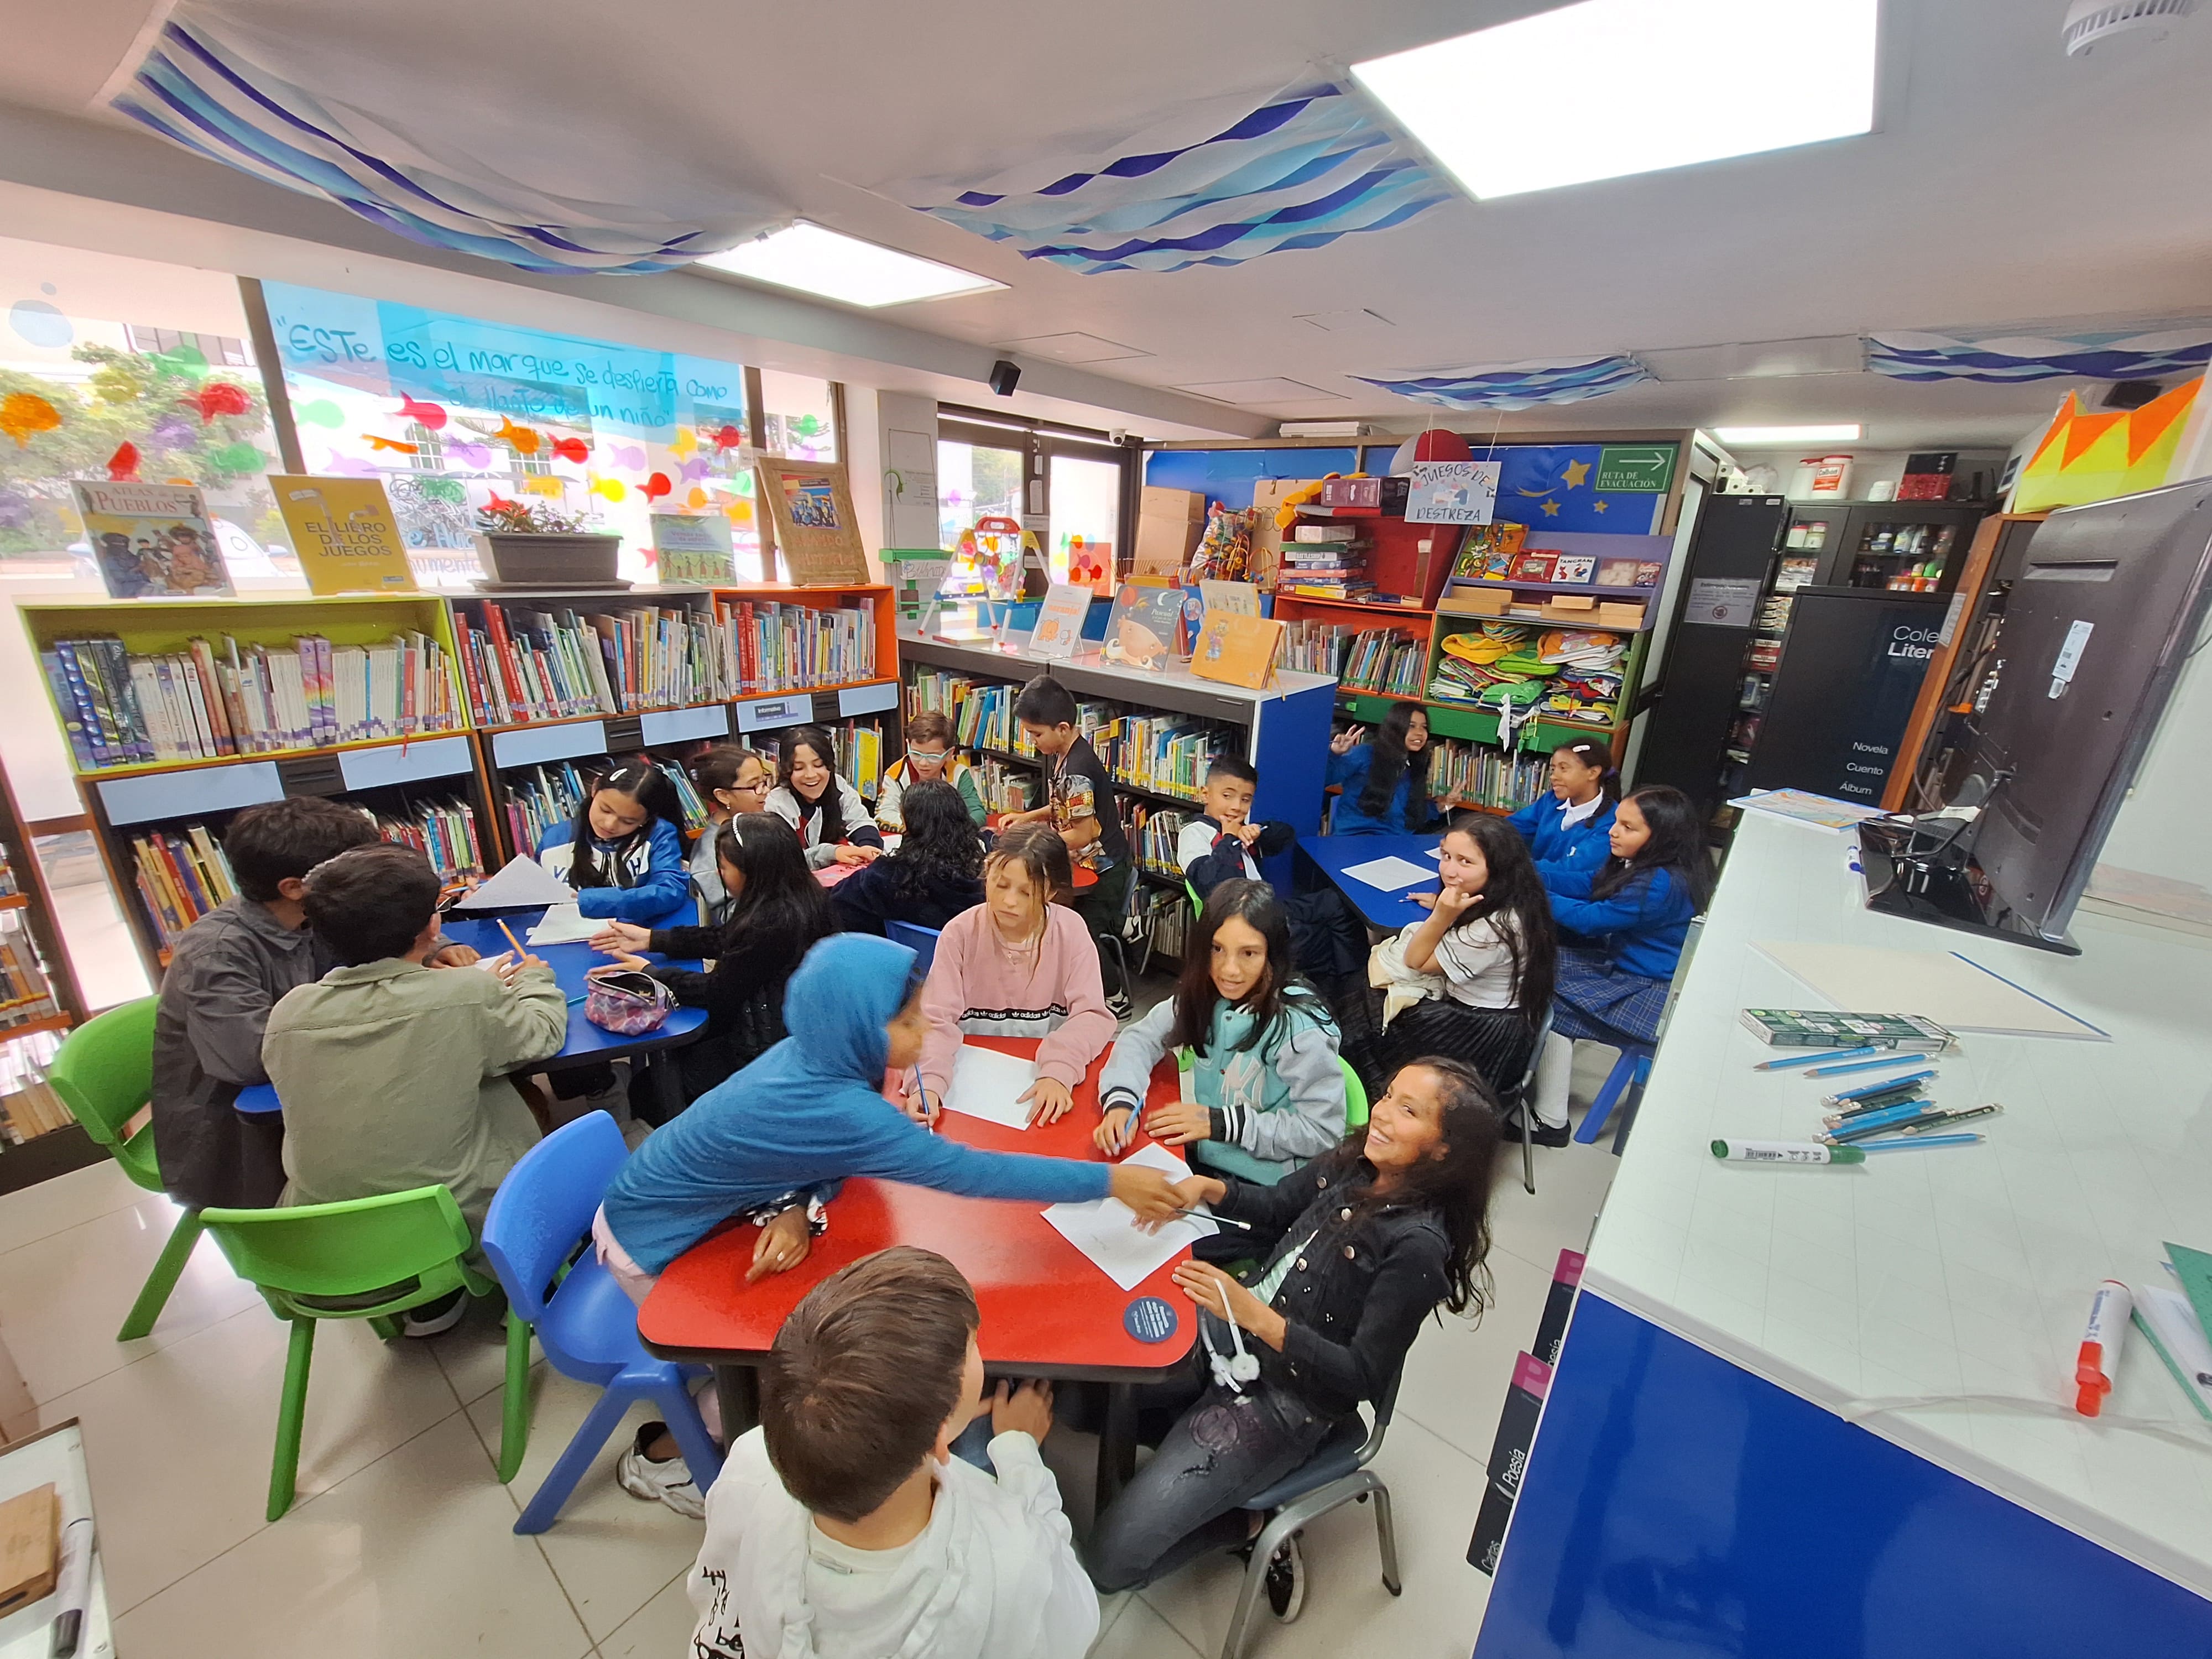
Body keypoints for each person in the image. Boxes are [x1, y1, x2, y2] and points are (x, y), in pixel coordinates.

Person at [594, 930, 1185, 1514]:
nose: (924, 1031)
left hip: (692, 1212)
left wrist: (796, 1205)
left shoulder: (815, 1054)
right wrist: (1110, 1182)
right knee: (789, 1375)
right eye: (906, 1024)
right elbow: (967, 1173)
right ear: (856, 1027)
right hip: (652, 1244)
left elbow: (801, 1150)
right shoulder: (842, 1108)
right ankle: (671, 1455)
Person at [1084, 1058, 1503, 1608]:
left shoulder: (1417, 1246)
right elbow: (1277, 1206)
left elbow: (1360, 1376)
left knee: (1109, 1564)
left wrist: (1255, 1316)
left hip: (1281, 1402)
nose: (1380, 1114)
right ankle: (1183, 1444)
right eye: (1388, 1096)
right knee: (1081, 1402)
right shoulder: (1356, 1161)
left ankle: (1252, 1524)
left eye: (1408, 1110)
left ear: (1444, 1148)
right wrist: (1208, 1188)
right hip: (1229, 1334)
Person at [687, 1248, 1096, 1659]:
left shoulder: (751, 1460)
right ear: (941, 1436)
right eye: (973, 1346)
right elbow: (1075, 1623)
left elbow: (716, 1585)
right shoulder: (1008, 1560)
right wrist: (1019, 1450)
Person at [262, 844, 566, 1333]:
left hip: (323, 1240)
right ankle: (530, 1277)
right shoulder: (465, 994)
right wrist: (536, 981)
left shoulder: (288, 1014)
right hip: (452, 1223)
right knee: (520, 1101)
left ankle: (429, 1303)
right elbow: (540, 1036)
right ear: (431, 927)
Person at [152, 797, 395, 1211]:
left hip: (312, 1096)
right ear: (295, 887)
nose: (371, 884)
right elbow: (250, 1059)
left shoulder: (319, 910)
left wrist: (436, 946)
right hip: (238, 1139)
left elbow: (384, 925)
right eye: (357, 873)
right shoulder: (216, 951)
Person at [1095, 879, 1345, 1186]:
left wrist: (1221, 1123)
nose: (1229, 970)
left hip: (1267, 1187)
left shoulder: (1299, 1027)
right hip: (1203, 1160)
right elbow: (1140, 1038)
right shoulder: (1202, 993)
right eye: (1217, 949)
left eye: (1249, 953)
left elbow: (1322, 1132)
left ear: (1272, 954)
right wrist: (1122, 1099)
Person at [590, 812, 834, 1109]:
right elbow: (729, 937)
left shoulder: (771, 922)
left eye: (723, 867)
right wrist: (654, 939)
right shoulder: (799, 897)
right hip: (796, 1033)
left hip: (766, 1050)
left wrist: (650, 972)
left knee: (649, 1092)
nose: (720, 873)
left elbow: (716, 992)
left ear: (753, 871)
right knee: (671, 1061)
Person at [1527, 785, 1712, 1136]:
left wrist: (1528, 891)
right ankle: (1547, 1108)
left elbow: (1590, 918)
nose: (1613, 831)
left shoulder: (1660, 883)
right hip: (1631, 966)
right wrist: (1531, 872)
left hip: (1649, 990)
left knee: (1541, 991)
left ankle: (1551, 1120)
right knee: (1540, 967)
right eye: (1616, 822)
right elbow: (1591, 884)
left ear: (1661, 837)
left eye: (1629, 827)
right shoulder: (1656, 864)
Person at [1361, 816, 1558, 1138]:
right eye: (1446, 856)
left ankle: (1379, 1117)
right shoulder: (1516, 899)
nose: (1449, 870)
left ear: (1498, 868)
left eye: (1465, 861)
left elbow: (1415, 960)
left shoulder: (1496, 929)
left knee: (1366, 1015)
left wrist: (1442, 914)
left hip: (1481, 1034)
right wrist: (1444, 905)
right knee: (1366, 997)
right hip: (1490, 1014)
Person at [912, 824, 1115, 1129]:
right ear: (988, 870)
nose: (1009, 901)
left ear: (1049, 891)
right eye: (1001, 884)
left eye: (1026, 892)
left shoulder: (1070, 931)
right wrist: (928, 1082)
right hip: (972, 1086)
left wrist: (1059, 1069)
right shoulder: (960, 933)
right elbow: (935, 1020)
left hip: (1043, 1081)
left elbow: (1091, 1016)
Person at [1005, 674, 1133, 1014]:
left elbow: (1084, 832)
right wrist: (1028, 817)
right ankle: (1125, 926)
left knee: (1086, 932)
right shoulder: (1066, 753)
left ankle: (1115, 995)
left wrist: (1037, 841)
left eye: (1036, 734)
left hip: (1103, 868)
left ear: (1062, 728)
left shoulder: (1077, 767)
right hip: (1086, 862)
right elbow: (1066, 806)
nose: (1033, 742)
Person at [1178, 757, 1365, 983]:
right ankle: (1347, 988)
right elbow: (1211, 883)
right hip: (1244, 921)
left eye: (1246, 799)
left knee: (1337, 904)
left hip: (1269, 907)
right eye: (1227, 796)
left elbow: (1285, 836)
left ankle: (1355, 982)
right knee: (1321, 940)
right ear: (1205, 794)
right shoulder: (1195, 834)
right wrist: (1229, 838)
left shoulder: (1241, 829)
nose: (1237, 806)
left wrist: (1259, 832)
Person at [536, 760, 693, 930]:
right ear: (595, 789)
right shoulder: (554, 838)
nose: (610, 825)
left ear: (647, 819)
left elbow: (670, 891)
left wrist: (595, 900)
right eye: (605, 810)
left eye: (628, 821)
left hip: (635, 935)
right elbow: (532, 898)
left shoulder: (659, 835)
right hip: (564, 937)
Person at [832, 780, 987, 936]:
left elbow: (838, 903)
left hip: (903, 956)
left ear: (911, 825)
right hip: (964, 956)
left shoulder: (888, 877)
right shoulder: (985, 875)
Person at [766, 725, 885, 870]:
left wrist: (868, 847)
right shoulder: (778, 804)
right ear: (786, 770)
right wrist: (833, 853)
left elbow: (860, 821)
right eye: (799, 768)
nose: (811, 775)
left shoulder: (838, 785)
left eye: (818, 765)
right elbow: (786, 861)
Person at [1507, 739, 1619, 884]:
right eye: (1553, 769)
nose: (1554, 777)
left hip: (1566, 898)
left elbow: (1570, 871)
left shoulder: (1611, 823)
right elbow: (1510, 828)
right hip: (1530, 882)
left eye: (1564, 769)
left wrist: (1512, 866)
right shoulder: (1552, 800)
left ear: (1593, 773)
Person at [1325, 704, 1437, 837]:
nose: (1420, 733)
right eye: (1412, 726)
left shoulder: (1415, 763)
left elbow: (1406, 812)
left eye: (1424, 727)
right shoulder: (1365, 754)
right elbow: (1324, 778)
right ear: (1395, 728)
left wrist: (1437, 808)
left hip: (1396, 841)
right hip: (1357, 839)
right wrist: (1334, 754)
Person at [686, 745, 771, 916]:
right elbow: (728, 917)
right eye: (754, 786)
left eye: (765, 781)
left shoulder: (758, 824)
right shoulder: (711, 854)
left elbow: (787, 861)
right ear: (723, 796)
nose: (766, 791)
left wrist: (826, 852)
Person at [875, 711, 987, 832]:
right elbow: (883, 815)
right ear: (908, 745)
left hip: (950, 836)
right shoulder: (896, 775)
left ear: (950, 753)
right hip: (914, 837)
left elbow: (977, 812)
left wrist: (954, 830)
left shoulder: (958, 773)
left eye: (933, 757)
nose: (923, 763)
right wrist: (921, 829)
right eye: (916, 754)